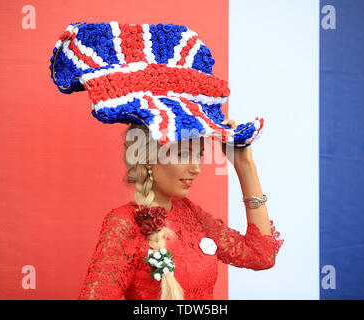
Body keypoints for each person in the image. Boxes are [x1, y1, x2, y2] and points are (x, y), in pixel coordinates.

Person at [50, 21, 283, 300]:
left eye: (198, 154)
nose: (196, 167)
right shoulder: (123, 224)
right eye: (183, 154)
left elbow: (261, 255)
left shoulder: (192, 215)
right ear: (148, 155)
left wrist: (245, 166)